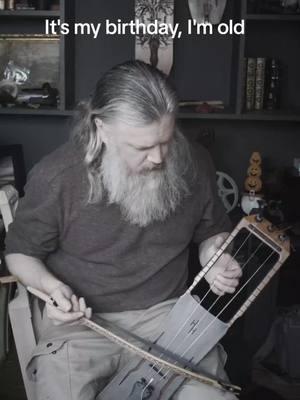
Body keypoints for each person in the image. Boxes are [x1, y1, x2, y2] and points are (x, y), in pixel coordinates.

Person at [5, 60, 242, 400]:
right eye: (143, 148)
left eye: (166, 139)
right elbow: (19, 252)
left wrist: (215, 257)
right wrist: (52, 287)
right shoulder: (57, 176)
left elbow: (211, 233)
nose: (160, 158)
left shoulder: (194, 162)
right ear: (102, 129)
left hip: (167, 319)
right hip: (82, 326)